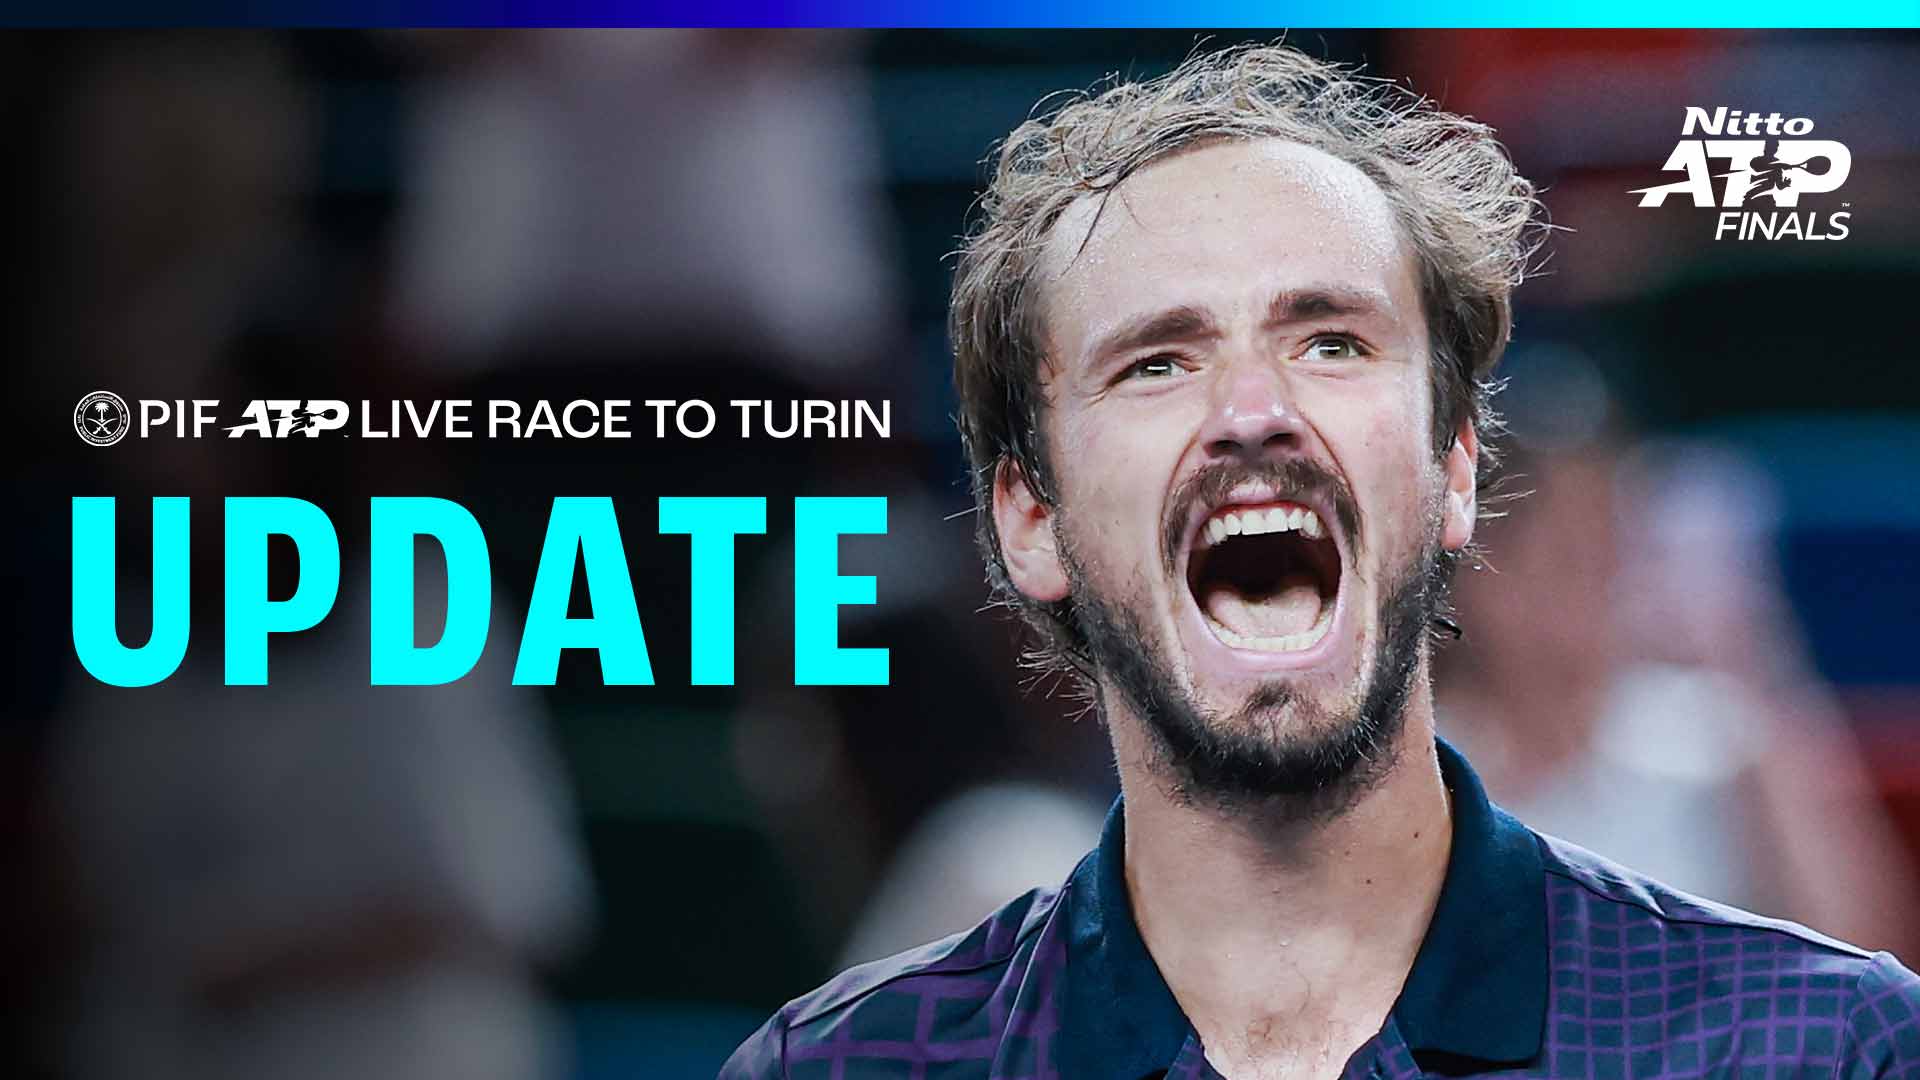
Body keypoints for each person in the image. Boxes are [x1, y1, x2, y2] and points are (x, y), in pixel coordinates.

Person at [721, 43, 1920, 1079]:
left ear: (1455, 470)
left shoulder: (1819, 1046)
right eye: (1157, 362)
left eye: (1331, 342)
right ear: (1031, 521)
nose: (1255, 412)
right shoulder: (847, 1066)